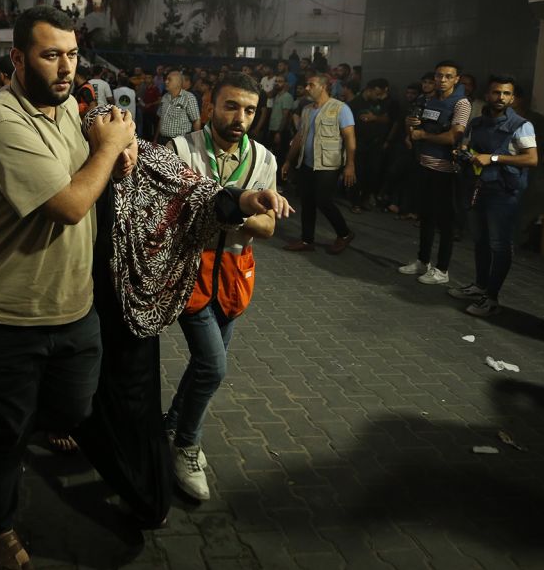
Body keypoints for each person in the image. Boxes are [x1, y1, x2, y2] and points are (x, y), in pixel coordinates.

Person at [0, 6, 135, 570]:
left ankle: (41, 422)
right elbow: (69, 205)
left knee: (72, 408)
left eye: (73, 55)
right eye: (50, 55)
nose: (65, 68)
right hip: (3, 314)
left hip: (72, 309)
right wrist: (108, 148)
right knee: (5, 432)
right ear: (17, 58)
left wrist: (115, 158)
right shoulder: (2, 119)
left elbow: (90, 175)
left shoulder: (65, 111)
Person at [74, 104, 290, 526]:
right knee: (80, 387)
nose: (125, 148)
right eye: (111, 137)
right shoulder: (75, 164)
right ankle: (73, 424)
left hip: (145, 303)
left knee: (153, 389)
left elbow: (201, 193)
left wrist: (246, 199)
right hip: (79, 300)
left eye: (129, 134)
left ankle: (157, 471)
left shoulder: (156, 159)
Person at [164, 74, 280, 501]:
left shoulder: (264, 159)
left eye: (249, 110)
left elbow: (268, 227)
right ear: (210, 104)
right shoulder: (179, 150)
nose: (240, 118)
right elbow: (170, 215)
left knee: (204, 365)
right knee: (213, 367)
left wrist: (232, 212)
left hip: (234, 277)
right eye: (232, 106)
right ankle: (187, 446)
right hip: (189, 275)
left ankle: (172, 422)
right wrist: (238, 208)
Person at [447, 75, 538, 316]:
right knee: (480, 241)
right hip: (478, 187)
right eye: (497, 93)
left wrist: (495, 158)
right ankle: (479, 286)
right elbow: (472, 147)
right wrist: (465, 152)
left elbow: (531, 158)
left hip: (504, 192)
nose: (501, 98)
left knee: (500, 245)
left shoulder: (521, 125)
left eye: (506, 94)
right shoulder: (477, 123)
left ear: (513, 98)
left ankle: (492, 298)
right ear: (487, 95)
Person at [398, 61, 470, 285]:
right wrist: (411, 125)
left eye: (449, 76)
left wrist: (422, 136)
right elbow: (415, 128)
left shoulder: (461, 104)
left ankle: (442, 269)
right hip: (424, 165)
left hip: (446, 170)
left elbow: (453, 137)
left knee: (445, 221)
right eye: (439, 75)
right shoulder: (427, 99)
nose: (442, 80)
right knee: (426, 216)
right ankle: (422, 261)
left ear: (456, 79)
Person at [281, 73, 356, 254]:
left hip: (328, 165)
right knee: (307, 201)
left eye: (311, 84)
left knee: (323, 200)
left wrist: (350, 165)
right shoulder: (307, 109)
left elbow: (349, 138)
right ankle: (307, 241)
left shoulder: (340, 109)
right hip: (307, 164)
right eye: (307, 84)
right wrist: (288, 161)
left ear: (323, 87)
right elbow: (299, 138)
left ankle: (344, 234)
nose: (307, 88)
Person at [349, 79, 397, 212]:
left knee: (372, 173)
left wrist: (374, 118)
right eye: (377, 93)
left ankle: (365, 199)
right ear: (370, 89)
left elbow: (388, 119)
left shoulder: (379, 103)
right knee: (357, 173)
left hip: (375, 144)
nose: (378, 96)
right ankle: (355, 202)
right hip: (358, 143)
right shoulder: (354, 104)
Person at [156, 69, 201, 146]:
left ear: (178, 82)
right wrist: (156, 139)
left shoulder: (189, 97)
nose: (166, 82)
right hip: (162, 140)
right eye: (166, 79)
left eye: (169, 80)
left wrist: (196, 143)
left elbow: (196, 120)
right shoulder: (165, 97)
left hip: (180, 142)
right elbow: (161, 119)